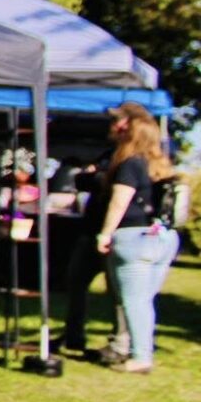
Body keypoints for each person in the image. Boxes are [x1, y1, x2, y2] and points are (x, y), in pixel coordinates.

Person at [95, 111, 178, 374]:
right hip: (163, 237)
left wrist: (106, 233)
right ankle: (140, 349)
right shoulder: (159, 165)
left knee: (133, 301)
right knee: (145, 300)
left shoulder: (130, 164)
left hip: (134, 237)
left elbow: (120, 201)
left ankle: (140, 356)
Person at [62, 102, 146, 358]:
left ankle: (120, 343)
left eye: (115, 121)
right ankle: (73, 334)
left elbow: (117, 194)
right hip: (92, 229)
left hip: (117, 234)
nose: (110, 127)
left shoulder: (135, 159)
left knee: (120, 292)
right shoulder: (111, 155)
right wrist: (97, 177)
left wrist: (98, 178)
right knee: (75, 281)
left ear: (128, 125)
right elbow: (82, 179)